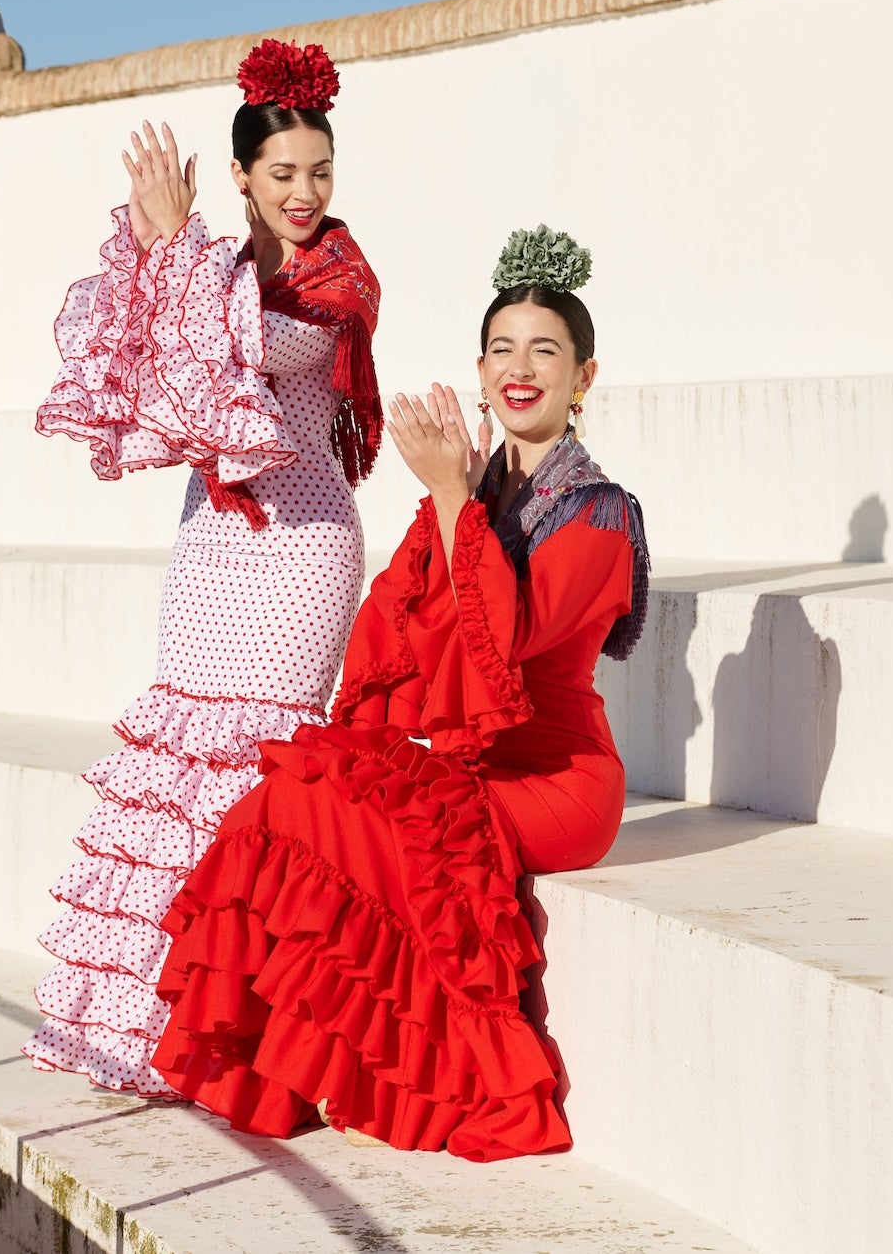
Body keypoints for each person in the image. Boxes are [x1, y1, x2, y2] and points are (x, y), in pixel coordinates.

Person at [150, 226, 649, 1159]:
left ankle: (427, 1085)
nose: (520, 367)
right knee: (296, 795)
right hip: (470, 764)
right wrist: (451, 500)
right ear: (479, 367)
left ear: (584, 377)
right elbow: (395, 632)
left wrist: (456, 501)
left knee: (367, 824)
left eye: (546, 350)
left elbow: (506, 638)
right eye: (502, 348)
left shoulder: (600, 510)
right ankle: (280, 1069)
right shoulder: (471, 490)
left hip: (559, 783)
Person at [25, 39, 384, 1095]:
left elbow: (253, 351)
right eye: (282, 174)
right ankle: (149, 1032)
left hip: (302, 546)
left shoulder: (339, 280)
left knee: (254, 788)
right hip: (212, 545)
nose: (305, 192)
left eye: (318, 171)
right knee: (177, 775)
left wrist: (170, 239)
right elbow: (139, 356)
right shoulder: (212, 270)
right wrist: (151, 242)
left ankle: (255, 1042)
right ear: (241, 177)